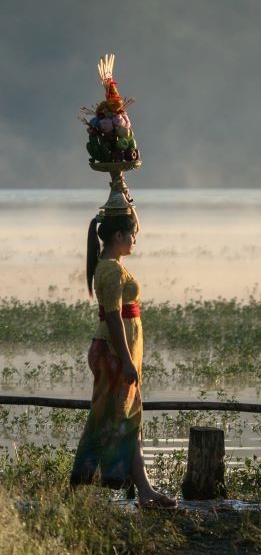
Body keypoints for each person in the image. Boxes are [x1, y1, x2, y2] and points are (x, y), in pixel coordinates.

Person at [70, 209, 176, 508]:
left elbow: (133, 223)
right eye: (131, 235)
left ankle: (144, 490)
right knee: (107, 420)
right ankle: (81, 484)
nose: (135, 240)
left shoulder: (109, 264)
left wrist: (122, 191)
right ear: (118, 236)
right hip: (115, 352)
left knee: (128, 418)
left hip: (116, 350)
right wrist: (127, 360)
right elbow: (115, 317)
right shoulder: (113, 270)